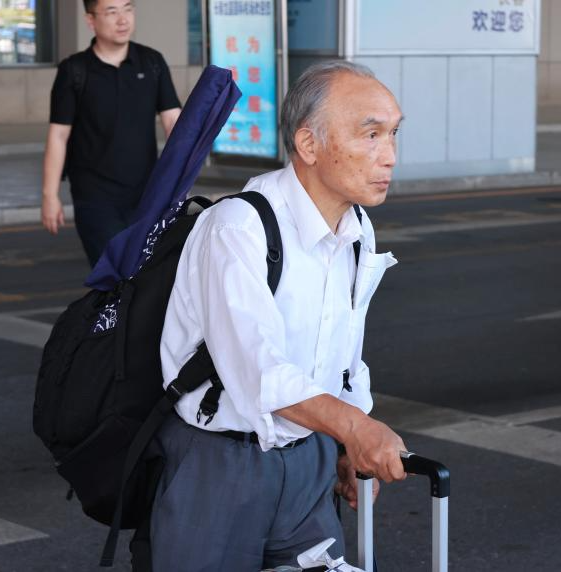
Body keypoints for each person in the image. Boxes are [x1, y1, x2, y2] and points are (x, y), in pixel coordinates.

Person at [153, 60, 407, 570]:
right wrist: (355, 427)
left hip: (309, 458)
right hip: (221, 463)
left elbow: (344, 350)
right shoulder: (237, 228)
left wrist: (343, 442)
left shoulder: (357, 227)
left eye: (393, 134)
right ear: (308, 144)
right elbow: (258, 372)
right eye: (371, 134)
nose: (390, 156)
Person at [42, 0, 181, 267]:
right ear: (90, 20)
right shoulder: (74, 70)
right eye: (112, 11)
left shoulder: (152, 62)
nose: (123, 19)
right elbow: (58, 135)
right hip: (95, 196)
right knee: (114, 272)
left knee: (146, 275)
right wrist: (50, 195)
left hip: (146, 193)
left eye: (128, 9)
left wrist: (178, 179)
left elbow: (173, 121)